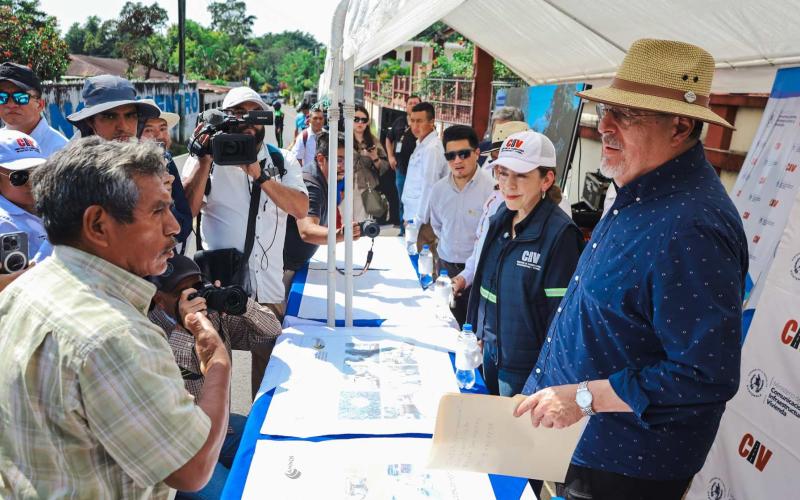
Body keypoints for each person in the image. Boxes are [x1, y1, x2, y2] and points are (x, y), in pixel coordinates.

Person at [514, 39, 748, 500]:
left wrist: (584, 398)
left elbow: (705, 375)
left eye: (626, 115)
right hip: (577, 444)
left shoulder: (692, 224)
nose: (604, 125)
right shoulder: (638, 188)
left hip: (622, 470)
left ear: (680, 126)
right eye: (606, 110)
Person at [0, 137, 231, 497]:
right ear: (97, 225)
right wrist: (217, 363)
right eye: (158, 211)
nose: (174, 226)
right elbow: (192, 469)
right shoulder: (115, 335)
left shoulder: (23, 289)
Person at [148, 254, 282, 499]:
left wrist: (240, 303)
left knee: (273, 446)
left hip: (218, 427)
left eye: (197, 287)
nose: (193, 298)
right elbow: (180, 371)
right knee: (233, 493)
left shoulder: (210, 316)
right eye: (181, 293)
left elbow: (271, 332)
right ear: (159, 299)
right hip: (182, 451)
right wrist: (188, 329)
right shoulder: (148, 331)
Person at [466, 129, 583, 398]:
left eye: (520, 175)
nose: (508, 184)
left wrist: (548, 375)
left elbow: (562, 317)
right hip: (489, 352)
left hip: (525, 369)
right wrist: (476, 331)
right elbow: (486, 282)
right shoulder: (501, 216)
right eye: (503, 173)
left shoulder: (560, 234)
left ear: (546, 180)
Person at [182, 86, 309, 323]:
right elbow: (184, 213)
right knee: (216, 347)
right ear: (224, 117)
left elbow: (301, 209)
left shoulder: (282, 160)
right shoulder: (205, 160)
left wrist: (261, 177)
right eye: (239, 112)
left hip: (268, 291)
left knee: (270, 348)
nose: (249, 120)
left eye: (255, 113)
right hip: (219, 289)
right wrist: (204, 160)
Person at [428, 125, 495, 326]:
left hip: (478, 273)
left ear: (477, 153)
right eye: (451, 156)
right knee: (441, 325)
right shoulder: (438, 190)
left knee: (471, 330)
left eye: (463, 154)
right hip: (445, 268)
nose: (457, 161)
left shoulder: (492, 190)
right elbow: (437, 226)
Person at [283, 132, 361, 293]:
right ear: (320, 159)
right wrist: (341, 234)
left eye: (349, 160)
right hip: (286, 272)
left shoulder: (324, 177)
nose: (345, 166)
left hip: (296, 267)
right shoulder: (311, 185)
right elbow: (307, 231)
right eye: (339, 160)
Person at [0, 130, 49, 293]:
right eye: (19, 176)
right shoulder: (3, 222)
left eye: (38, 173)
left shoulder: (51, 202)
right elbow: (22, 282)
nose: (32, 182)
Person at [139, 101, 193, 243]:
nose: (159, 135)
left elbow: (184, 224)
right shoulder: (125, 172)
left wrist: (167, 200)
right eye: (148, 130)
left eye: (163, 128)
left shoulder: (167, 160)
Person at [401, 102, 448, 260]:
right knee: (418, 259)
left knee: (425, 263)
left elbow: (430, 186)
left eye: (419, 121)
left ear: (431, 121)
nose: (414, 125)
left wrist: (418, 221)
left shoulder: (432, 148)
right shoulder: (422, 144)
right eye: (412, 120)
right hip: (413, 213)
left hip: (422, 217)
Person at [0, 62, 67, 157]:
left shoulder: (61, 150)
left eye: (21, 97)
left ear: (40, 105)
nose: (10, 104)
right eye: (2, 97)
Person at [66, 74, 160, 142]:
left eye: (130, 116)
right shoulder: (74, 163)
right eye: (110, 117)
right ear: (90, 121)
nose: (123, 127)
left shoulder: (155, 160)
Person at [385, 94, 421, 228]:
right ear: (406, 107)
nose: (413, 105)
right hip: (401, 168)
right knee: (402, 199)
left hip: (418, 170)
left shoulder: (424, 124)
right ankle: (402, 228)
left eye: (416, 103)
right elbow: (389, 139)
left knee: (416, 200)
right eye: (410, 103)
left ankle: (414, 227)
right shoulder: (399, 122)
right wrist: (390, 156)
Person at [353, 104, 390, 222]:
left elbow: (384, 167)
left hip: (366, 188)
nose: (360, 123)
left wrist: (374, 158)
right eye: (356, 119)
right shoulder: (343, 139)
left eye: (363, 120)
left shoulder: (373, 141)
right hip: (344, 187)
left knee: (362, 224)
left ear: (367, 122)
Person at [291, 103, 325, 173]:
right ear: (309, 120)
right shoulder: (303, 136)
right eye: (315, 118)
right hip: (309, 176)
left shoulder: (328, 135)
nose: (318, 121)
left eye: (320, 118)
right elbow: (297, 159)